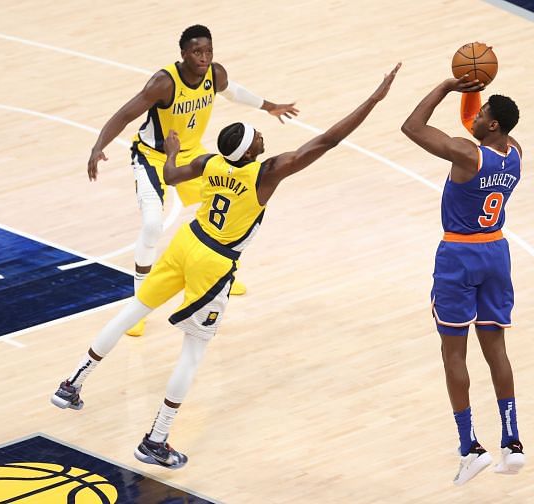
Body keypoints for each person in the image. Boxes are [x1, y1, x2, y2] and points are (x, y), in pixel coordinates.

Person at [51, 63, 400, 469]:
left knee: (134, 309)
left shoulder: (210, 164)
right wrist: (374, 100)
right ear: (251, 151)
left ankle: (71, 384)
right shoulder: (266, 174)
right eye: (258, 137)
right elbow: (326, 141)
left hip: (186, 240)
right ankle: (156, 438)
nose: (262, 136)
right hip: (213, 262)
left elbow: (169, 174)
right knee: (194, 352)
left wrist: (173, 150)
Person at [87, 24, 300, 337]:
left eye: (208, 51)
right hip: (152, 155)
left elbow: (235, 92)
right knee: (151, 225)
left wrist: (271, 107)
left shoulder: (216, 74)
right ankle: (138, 302)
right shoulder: (164, 83)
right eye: (197, 52)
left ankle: (222, 275)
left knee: (231, 210)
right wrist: (98, 146)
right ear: (183, 54)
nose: (204, 57)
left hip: (193, 154)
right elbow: (124, 114)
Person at [401, 77, 526, 486]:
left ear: (492, 125)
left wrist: (445, 86)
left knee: (453, 352)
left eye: (484, 113)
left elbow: (413, 127)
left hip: (459, 255)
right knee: (496, 348)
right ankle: (512, 442)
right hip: (497, 253)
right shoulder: (515, 154)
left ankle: (470, 447)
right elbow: (475, 126)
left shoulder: (465, 155)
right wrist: (474, 95)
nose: (478, 116)